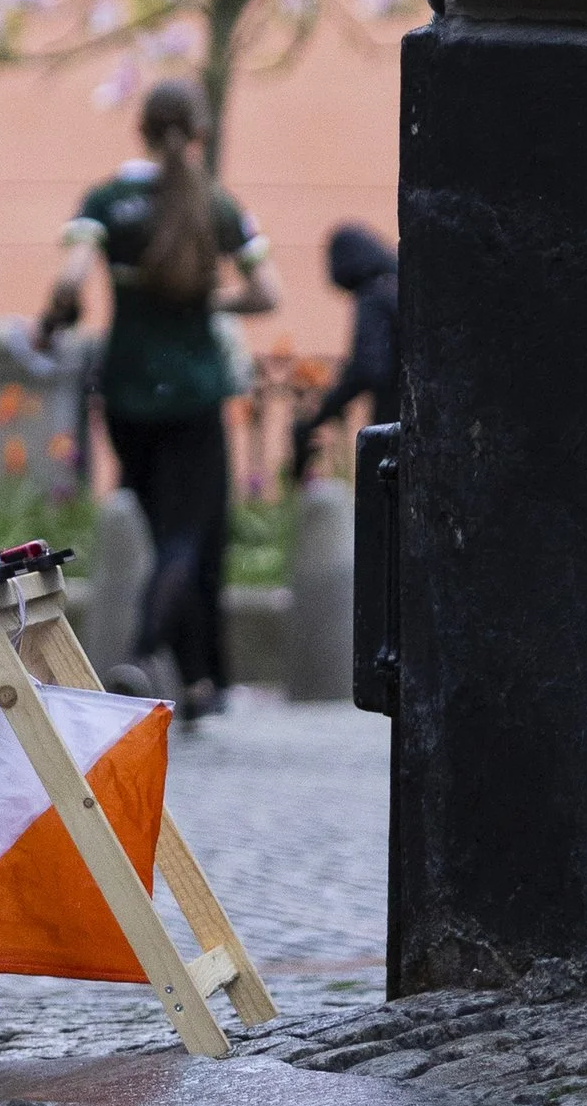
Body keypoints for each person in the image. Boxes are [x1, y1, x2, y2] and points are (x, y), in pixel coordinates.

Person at [32, 79, 279, 720]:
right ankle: (144, 654)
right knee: (189, 537)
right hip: (194, 393)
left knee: (163, 532)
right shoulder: (216, 204)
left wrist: (51, 323)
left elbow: (71, 279)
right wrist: (208, 301)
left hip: (126, 394)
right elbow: (267, 293)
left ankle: (197, 682)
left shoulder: (108, 202)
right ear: (198, 132)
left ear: (140, 128)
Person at [288, 223, 398, 488]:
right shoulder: (396, 286)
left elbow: (367, 367)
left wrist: (321, 415)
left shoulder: (373, 295)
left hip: (395, 417)